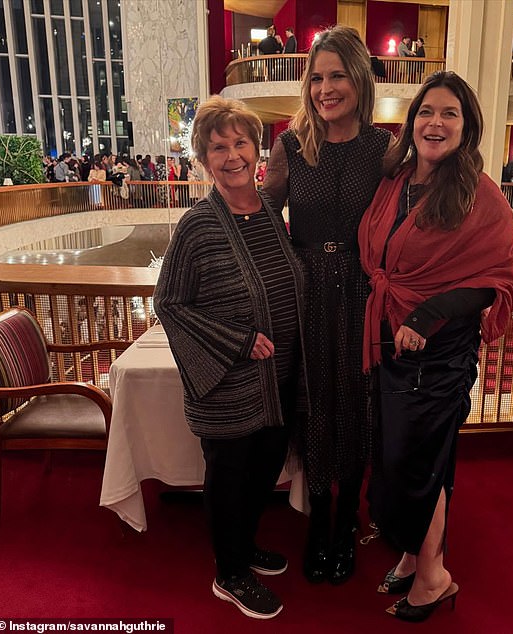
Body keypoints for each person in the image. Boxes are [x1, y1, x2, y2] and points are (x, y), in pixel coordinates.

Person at [358, 70, 513, 622]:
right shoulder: (397, 181)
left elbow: (495, 279)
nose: (435, 122)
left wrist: (427, 315)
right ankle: (415, 556)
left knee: (417, 462)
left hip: (440, 353)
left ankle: (434, 578)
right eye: (426, 111)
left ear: (466, 126)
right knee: (403, 458)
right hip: (391, 342)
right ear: (412, 123)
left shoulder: (481, 195)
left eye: (450, 113)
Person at [153, 95, 307, 620]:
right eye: (218, 147)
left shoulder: (269, 212)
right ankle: (229, 572)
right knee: (230, 476)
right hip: (229, 384)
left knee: (264, 470)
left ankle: (244, 546)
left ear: (256, 150)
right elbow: (169, 303)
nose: (232, 155)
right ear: (203, 159)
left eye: (240, 143)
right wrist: (237, 341)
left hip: (279, 376)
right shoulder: (197, 226)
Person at [263, 25, 392, 586]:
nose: (325, 89)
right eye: (316, 78)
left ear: (359, 80)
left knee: (358, 402)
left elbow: (408, 217)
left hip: (363, 293)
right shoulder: (291, 146)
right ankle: (318, 516)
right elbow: (264, 218)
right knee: (313, 401)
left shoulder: (384, 149)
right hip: (307, 291)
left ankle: (347, 518)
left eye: (337, 76)